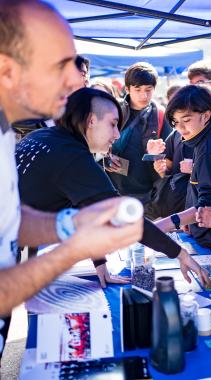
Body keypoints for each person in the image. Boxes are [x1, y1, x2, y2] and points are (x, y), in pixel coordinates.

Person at [0, 0, 144, 355]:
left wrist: (69, 223)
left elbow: (10, 218)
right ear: (7, 71)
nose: (74, 78)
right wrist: (73, 249)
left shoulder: (6, 131)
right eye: (60, 65)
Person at [16, 87, 210, 289]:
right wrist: (180, 253)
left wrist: (100, 264)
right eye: (113, 124)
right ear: (91, 121)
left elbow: (88, 212)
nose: (117, 134)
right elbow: (122, 216)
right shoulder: (72, 156)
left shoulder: (44, 137)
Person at [155, 85, 211, 257]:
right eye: (175, 122)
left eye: (186, 120)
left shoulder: (210, 148)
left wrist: (163, 225)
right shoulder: (208, 139)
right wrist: (188, 220)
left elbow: (210, 204)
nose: (180, 128)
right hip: (204, 235)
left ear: (206, 115)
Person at [106, 62, 172, 203]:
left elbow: (170, 157)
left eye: (148, 89)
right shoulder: (113, 111)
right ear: (128, 89)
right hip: (112, 189)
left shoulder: (161, 115)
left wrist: (157, 157)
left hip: (149, 195)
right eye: (138, 89)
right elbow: (95, 146)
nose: (144, 95)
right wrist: (106, 158)